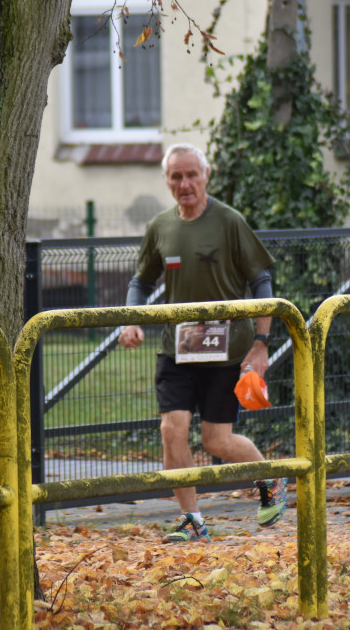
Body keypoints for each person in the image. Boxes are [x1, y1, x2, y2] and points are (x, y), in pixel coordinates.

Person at [118, 142, 287, 544]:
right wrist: (132, 318)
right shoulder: (161, 227)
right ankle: (192, 520)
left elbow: (261, 281)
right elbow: (141, 281)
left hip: (228, 350)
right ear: (167, 181)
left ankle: (271, 479)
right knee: (171, 430)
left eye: (192, 174)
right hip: (177, 348)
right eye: (176, 176)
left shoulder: (229, 222)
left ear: (206, 176)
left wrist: (261, 344)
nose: (185, 183)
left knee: (217, 440)